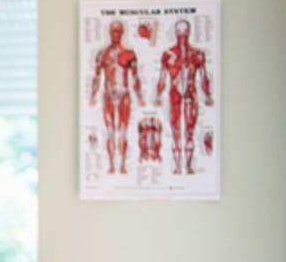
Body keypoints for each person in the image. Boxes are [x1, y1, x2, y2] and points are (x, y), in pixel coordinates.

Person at [155, 18, 214, 175]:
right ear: (175, 32)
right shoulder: (168, 55)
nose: (182, 35)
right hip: (174, 93)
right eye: (179, 31)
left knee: (189, 131)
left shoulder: (197, 54)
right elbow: (162, 77)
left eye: (185, 31)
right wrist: (157, 95)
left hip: (190, 92)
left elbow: (203, 77)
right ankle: (176, 167)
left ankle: (187, 167)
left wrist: (207, 95)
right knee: (175, 130)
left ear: (189, 32)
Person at [89, 19, 144, 174]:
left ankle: (122, 166)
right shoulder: (102, 54)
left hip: (124, 94)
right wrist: (92, 96)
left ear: (122, 33)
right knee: (110, 130)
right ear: (109, 32)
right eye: (113, 31)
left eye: (119, 31)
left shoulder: (129, 54)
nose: (116, 34)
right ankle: (112, 165)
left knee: (122, 130)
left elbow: (135, 77)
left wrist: (139, 97)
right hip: (108, 95)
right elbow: (96, 77)